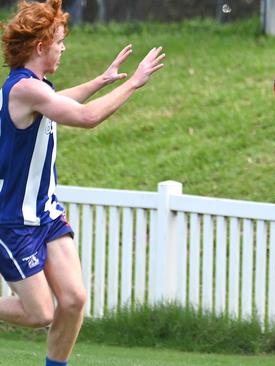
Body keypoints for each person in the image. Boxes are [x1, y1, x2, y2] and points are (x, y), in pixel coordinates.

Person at [0, 1, 164, 365]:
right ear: (40, 47)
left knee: (73, 299)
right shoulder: (22, 89)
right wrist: (134, 84)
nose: (63, 48)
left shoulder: (38, 90)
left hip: (47, 216)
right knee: (40, 313)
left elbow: (60, 101)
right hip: (14, 221)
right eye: (59, 41)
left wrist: (101, 80)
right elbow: (87, 117)